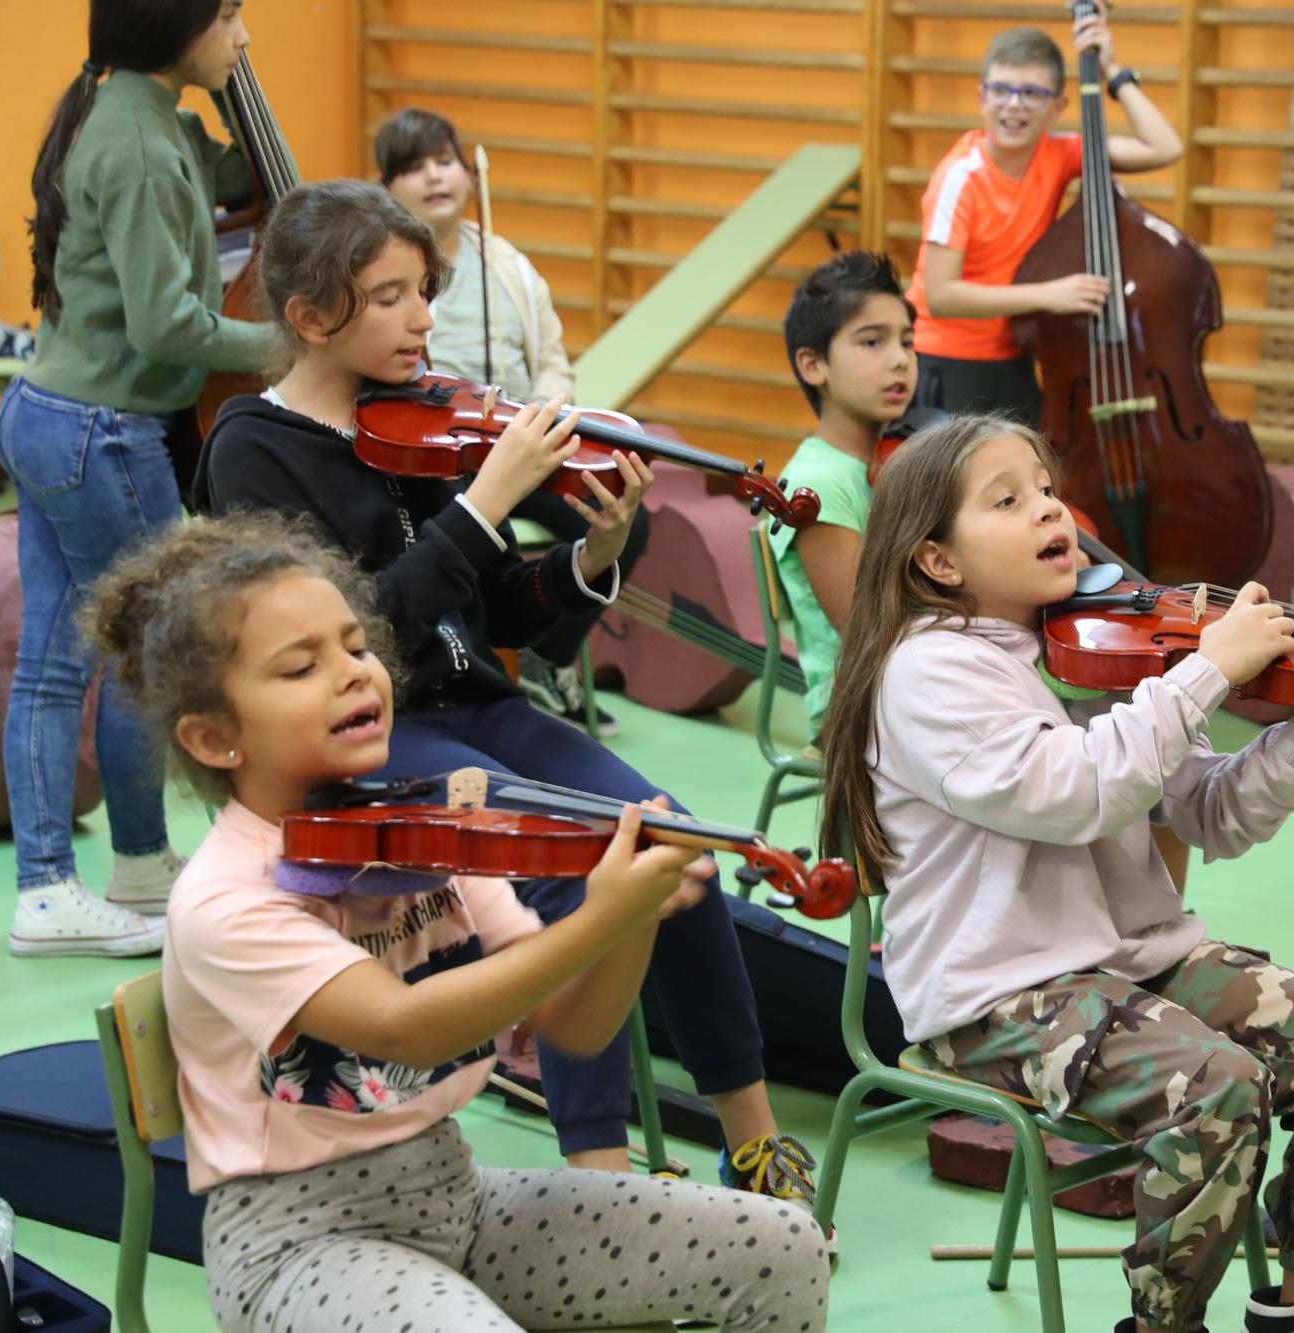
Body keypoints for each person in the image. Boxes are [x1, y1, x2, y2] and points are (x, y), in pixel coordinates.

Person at [191, 180, 824, 1213]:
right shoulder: (250, 449)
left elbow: (502, 612)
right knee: (587, 862)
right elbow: (351, 642)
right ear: (309, 318)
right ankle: (601, 1182)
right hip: (360, 740)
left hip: (473, 707)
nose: (423, 319)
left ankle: (752, 1141)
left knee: (671, 833)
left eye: (422, 292)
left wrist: (597, 551)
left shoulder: (417, 421)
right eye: (389, 296)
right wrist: (484, 501)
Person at [87, 511, 827, 1332]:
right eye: (301, 667)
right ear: (214, 737)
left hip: (456, 1200)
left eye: (357, 647)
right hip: (299, 1248)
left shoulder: (418, 835)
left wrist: (635, 917)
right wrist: (597, 919)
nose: (353, 674)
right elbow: (406, 1030)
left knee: (781, 1247)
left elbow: (571, 1024)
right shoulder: (229, 897)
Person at [817, 415, 1294, 1333]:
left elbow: (1214, 813)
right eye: (1007, 500)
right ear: (937, 561)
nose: (1049, 508)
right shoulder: (928, 674)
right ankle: (1161, 1325)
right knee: (1216, 1084)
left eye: (1046, 487)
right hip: (997, 994)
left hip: (1129, 961)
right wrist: (1205, 674)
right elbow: (1077, 792)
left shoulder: (1095, 646)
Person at [0, 0, 276, 957]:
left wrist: (242, 106)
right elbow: (168, 326)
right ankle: (73, 879)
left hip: (48, 411)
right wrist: (288, 343)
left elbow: (234, 178)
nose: (245, 36)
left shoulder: (131, 110)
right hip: (99, 429)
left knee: (55, 663)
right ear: (179, 22)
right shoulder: (145, 145)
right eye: (232, 16)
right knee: (146, 655)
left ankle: (110, 871)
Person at [376, 106, 634, 736]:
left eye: (445, 160)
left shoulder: (509, 264)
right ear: (388, 188)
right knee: (472, 536)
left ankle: (549, 656)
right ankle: (489, 666)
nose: (436, 177)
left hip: (521, 440)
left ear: (469, 174)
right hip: (444, 447)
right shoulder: (389, 269)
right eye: (414, 167)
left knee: (624, 509)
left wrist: (537, 420)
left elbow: (551, 363)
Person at [903, 12, 1181, 422]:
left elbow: (1164, 146)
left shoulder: (1060, 153)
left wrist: (1113, 70)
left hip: (1014, 357)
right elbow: (940, 296)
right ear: (982, 97)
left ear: (1057, 107)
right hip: (946, 361)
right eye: (1001, 90)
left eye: (1032, 92)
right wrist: (1050, 295)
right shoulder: (959, 177)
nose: (1013, 104)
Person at [771, 249, 916, 741]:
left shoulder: (899, 458)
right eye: (872, 341)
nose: (900, 358)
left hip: (914, 682)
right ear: (814, 365)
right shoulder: (818, 485)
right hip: (861, 706)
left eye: (906, 341)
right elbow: (864, 630)